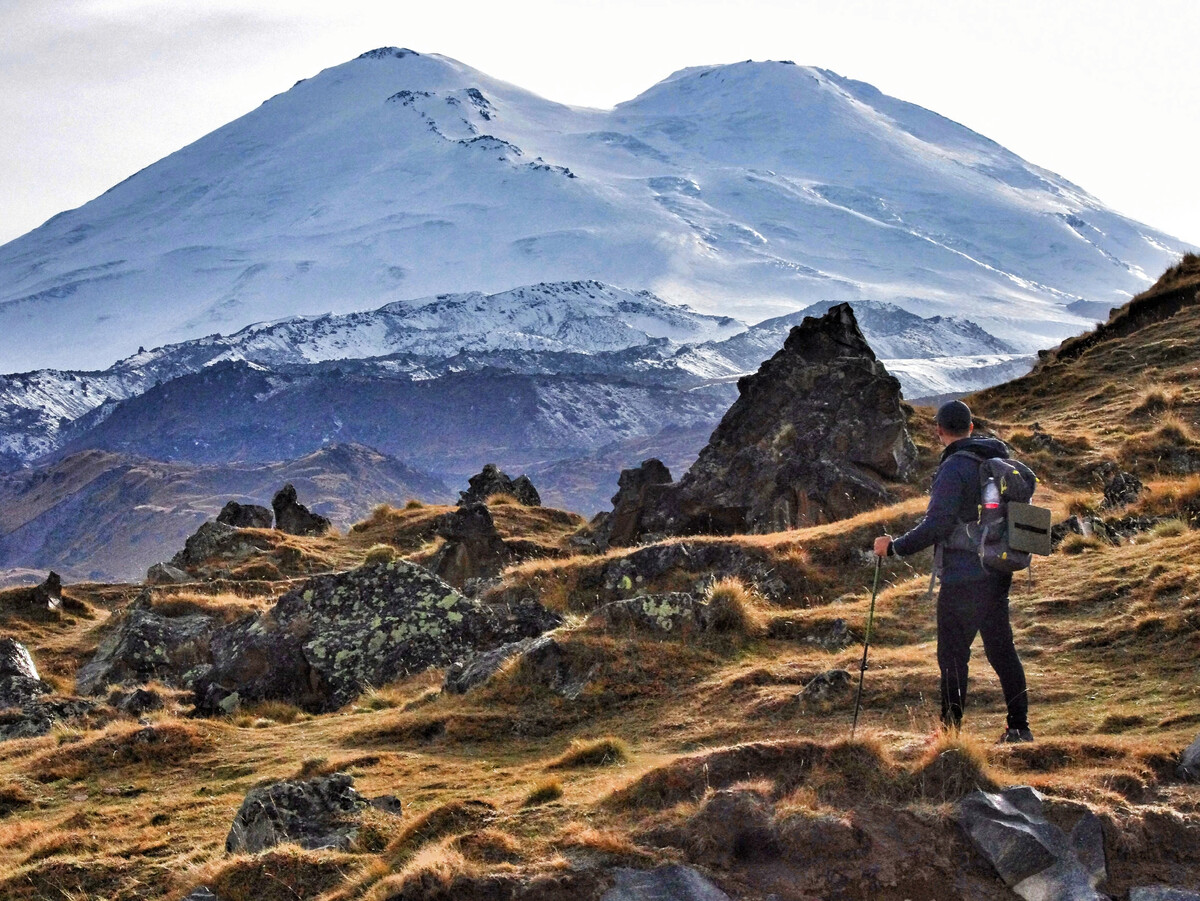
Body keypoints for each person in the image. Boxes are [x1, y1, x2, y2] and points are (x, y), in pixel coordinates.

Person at [872, 400, 1033, 743]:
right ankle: (1019, 727)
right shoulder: (995, 460)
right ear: (971, 428)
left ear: (939, 431)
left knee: (953, 656)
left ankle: (949, 733)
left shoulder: (954, 468)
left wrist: (895, 547)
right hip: (997, 568)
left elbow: (938, 524)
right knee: (1002, 650)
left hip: (962, 575)